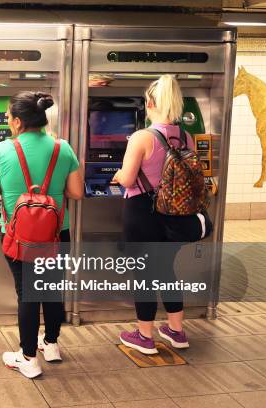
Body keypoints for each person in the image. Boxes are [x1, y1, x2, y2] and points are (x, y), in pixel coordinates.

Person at [0, 91, 83, 378]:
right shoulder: (63, 148)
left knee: (27, 294)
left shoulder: (2, 150)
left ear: (16, 122)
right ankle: (50, 345)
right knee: (51, 292)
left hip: (19, 237)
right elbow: (76, 192)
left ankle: (28, 358)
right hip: (56, 235)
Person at [112, 75, 192, 354]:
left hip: (143, 213)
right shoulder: (186, 136)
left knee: (144, 274)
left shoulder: (142, 137)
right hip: (176, 214)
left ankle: (144, 336)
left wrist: (118, 174)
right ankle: (177, 331)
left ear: (149, 103)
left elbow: (127, 178)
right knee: (166, 270)